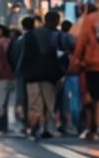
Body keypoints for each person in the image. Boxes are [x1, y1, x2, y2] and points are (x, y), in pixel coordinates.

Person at [70, 0, 99, 139]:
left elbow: (81, 42)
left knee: (98, 97)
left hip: (93, 64)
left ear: (96, 2)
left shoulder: (89, 19)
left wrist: (75, 60)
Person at [17, 11, 65, 140]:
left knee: (35, 105)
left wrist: (22, 74)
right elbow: (59, 54)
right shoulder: (55, 35)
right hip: (49, 75)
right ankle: (46, 129)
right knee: (49, 104)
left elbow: (23, 56)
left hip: (31, 76)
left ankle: (32, 129)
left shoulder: (30, 36)